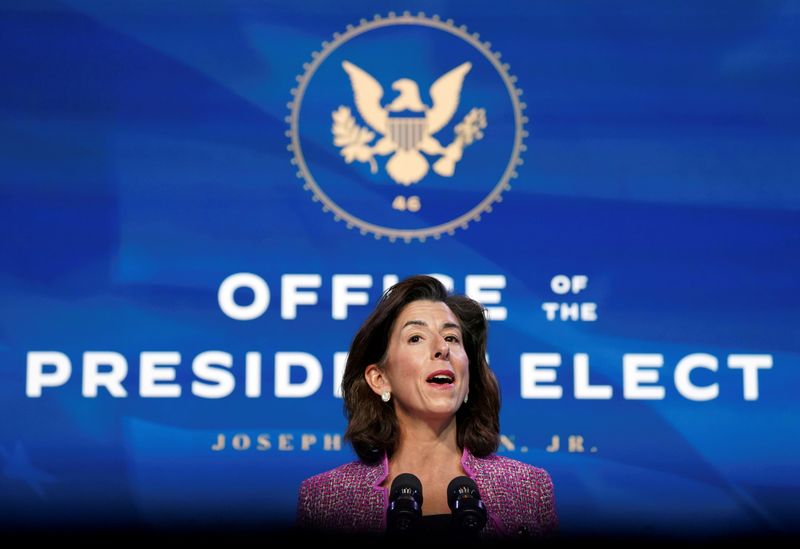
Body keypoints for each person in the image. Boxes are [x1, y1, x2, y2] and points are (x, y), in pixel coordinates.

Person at [296, 275, 557, 540]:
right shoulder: (328, 500)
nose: (442, 348)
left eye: (452, 338)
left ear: (468, 378)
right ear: (380, 379)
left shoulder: (527, 489)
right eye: (416, 338)